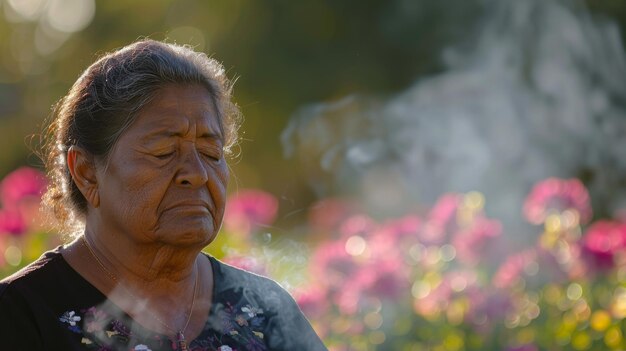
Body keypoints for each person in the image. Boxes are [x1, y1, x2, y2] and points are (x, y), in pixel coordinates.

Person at [0, 39, 327, 351]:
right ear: (86, 172)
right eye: (163, 151)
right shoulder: (21, 314)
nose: (197, 173)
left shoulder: (265, 311)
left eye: (211, 152)